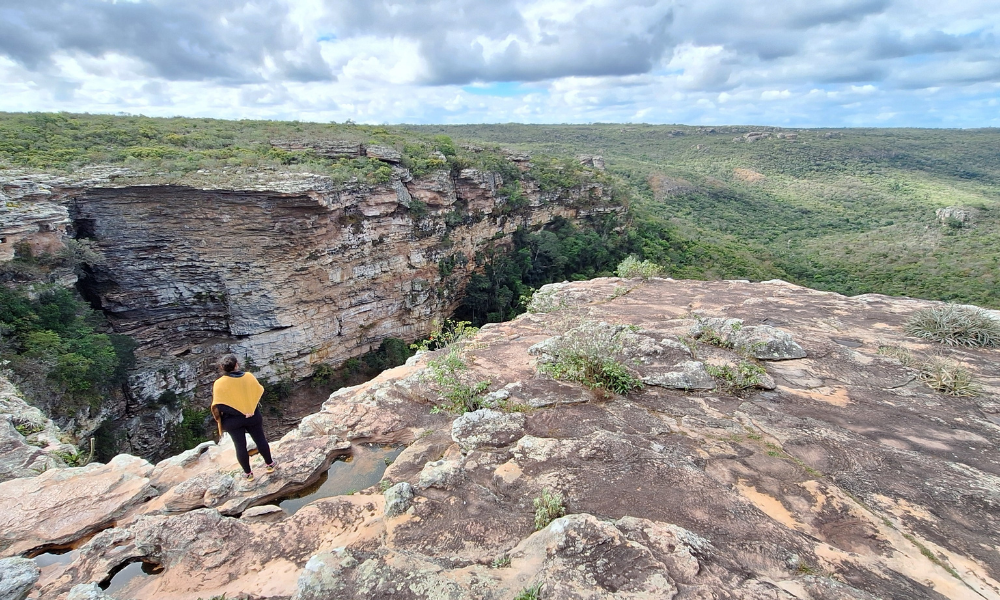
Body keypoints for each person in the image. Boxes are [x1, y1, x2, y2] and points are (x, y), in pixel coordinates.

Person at [211, 354, 276, 482]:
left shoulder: (219, 383)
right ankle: (270, 465)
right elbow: (258, 391)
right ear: (236, 365)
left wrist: (240, 413)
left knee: (240, 446)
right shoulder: (248, 376)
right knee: (260, 440)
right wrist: (249, 409)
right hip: (252, 415)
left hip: (232, 420)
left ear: (221, 367)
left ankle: (248, 474)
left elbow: (219, 405)